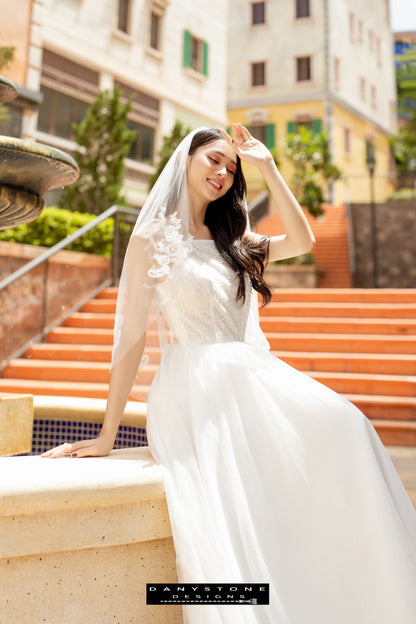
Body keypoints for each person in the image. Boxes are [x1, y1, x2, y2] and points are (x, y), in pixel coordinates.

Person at [42, 124, 416, 623]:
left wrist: (267, 166)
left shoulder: (235, 236)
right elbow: (129, 339)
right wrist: (108, 432)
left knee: (348, 426)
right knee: (226, 510)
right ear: (188, 159)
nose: (222, 172)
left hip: (252, 376)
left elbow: (302, 240)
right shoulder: (152, 239)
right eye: (214, 160)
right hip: (194, 390)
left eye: (230, 168)